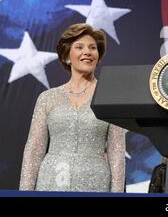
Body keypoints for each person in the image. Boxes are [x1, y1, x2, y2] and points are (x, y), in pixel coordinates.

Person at [19, 23, 125, 192]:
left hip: (95, 184)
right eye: (79, 47)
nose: (88, 52)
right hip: (50, 183)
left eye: (93, 48)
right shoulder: (47, 98)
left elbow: (116, 152)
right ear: (67, 55)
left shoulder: (110, 97)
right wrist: (24, 193)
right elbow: (34, 150)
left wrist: (117, 194)